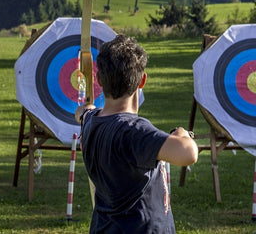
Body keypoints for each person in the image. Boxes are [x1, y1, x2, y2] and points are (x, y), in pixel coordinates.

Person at [75, 34, 198, 233]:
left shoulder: (91, 121)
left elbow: (81, 112)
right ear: (142, 81)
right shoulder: (133, 131)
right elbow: (188, 153)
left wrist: (87, 108)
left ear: (98, 79)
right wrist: (182, 134)